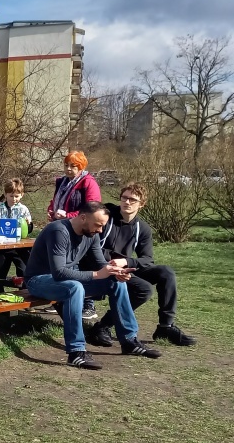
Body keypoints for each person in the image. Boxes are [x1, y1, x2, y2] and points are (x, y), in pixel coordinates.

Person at [24, 201, 162, 369]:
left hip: (68, 280)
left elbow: (99, 263)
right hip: (39, 280)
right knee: (74, 288)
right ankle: (76, 352)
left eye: (103, 226)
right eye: (98, 225)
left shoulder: (92, 235)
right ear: (82, 217)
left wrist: (115, 272)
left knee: (115, 283)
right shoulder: (58, 231)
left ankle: (129, 341)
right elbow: (59, 272)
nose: (100, 230)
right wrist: (97, 275)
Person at [86, 183, 196, 347]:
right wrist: (115, 261)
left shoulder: (142, 228)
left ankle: (165, 326)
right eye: (125, 198)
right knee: (143, 289)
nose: (127, 202)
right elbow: (92, 247)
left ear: (142, 204)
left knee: (166, 272)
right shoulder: (106, 216)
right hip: (100, 267)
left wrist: (126, 262)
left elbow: (147, 259)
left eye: (133, 199)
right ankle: (103, 326)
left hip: (123, 266)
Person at [47, 150, 102, 319]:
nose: (69, 169)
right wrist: (51, 211)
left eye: (73, 166)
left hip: (81, 228)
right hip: (61, 227)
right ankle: (60, 298)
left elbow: (92, 208)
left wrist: (69, 216)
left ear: (81, 167)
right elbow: (55, 200)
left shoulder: (88, 182)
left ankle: (88, 305)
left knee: (80, 264)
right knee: (62, 263)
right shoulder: (62, 182)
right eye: (66, 165)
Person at [0, 178, 33, 293]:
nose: (14, 199)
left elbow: (28, 231)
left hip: (19, 248)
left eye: (17, 196)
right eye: (11, 196)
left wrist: (29, 224)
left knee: (24, 272)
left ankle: (25, 299)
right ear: (5, 194)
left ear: (22, 195)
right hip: (1, 247)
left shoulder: (23, 209)